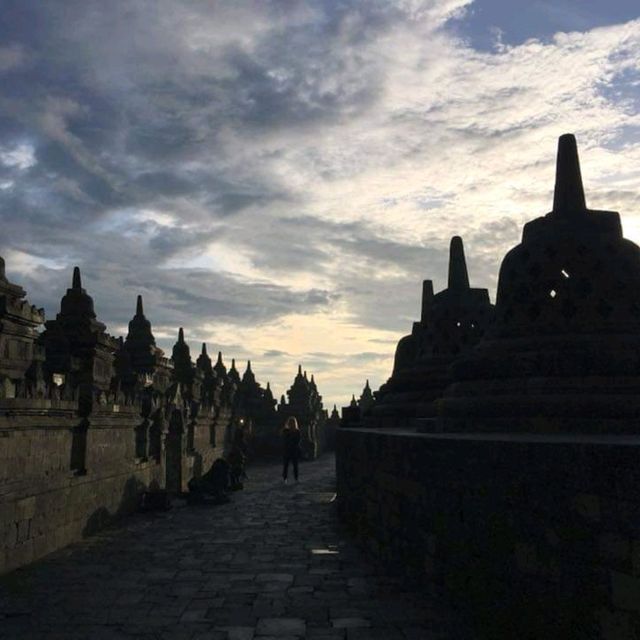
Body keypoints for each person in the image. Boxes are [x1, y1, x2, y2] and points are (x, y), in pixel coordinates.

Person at [282, 416, 301, 484]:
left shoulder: (297, 431)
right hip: (287, 450)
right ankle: (285, 479)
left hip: (294, 450)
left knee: (295, 466)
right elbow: (284, 440)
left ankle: (296, 478)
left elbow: (298, 441)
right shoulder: (285, 431)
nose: (292, 424)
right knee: (286, 466)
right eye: (290, 423)